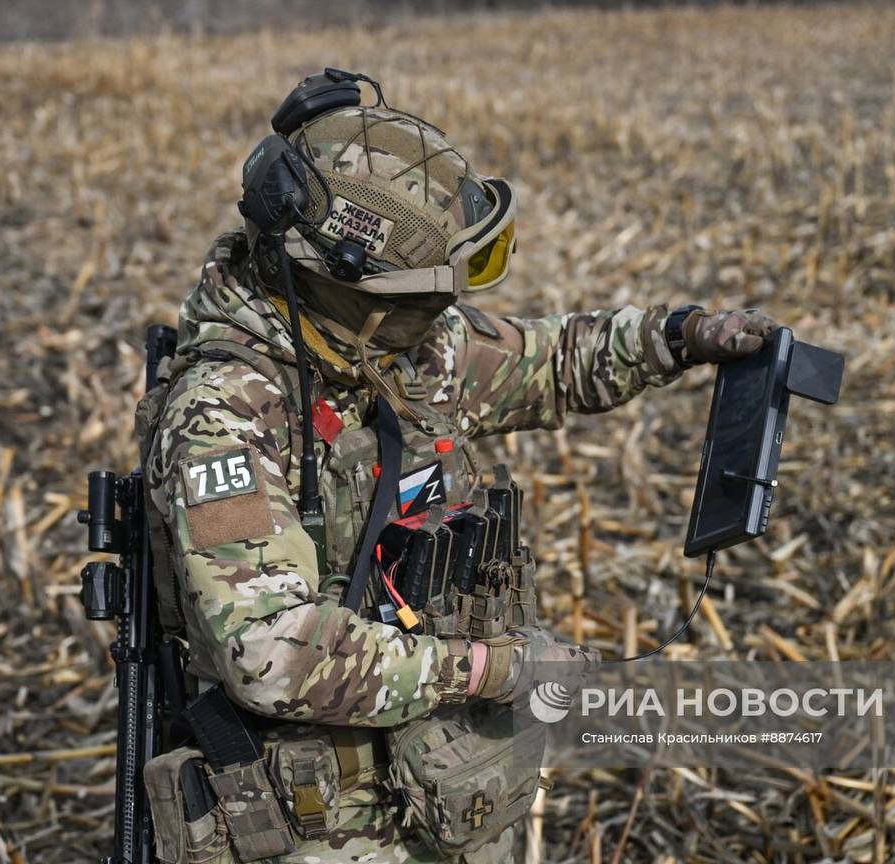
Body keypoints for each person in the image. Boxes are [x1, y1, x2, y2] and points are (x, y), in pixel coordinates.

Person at [140, 70, 777, 864]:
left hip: (442, 789)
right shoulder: (225, 417)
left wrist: (680, 337)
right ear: (350, 285)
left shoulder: (386, 346)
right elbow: (274, 656)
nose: (445, 315)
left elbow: (551, 362)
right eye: (431, 293)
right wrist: (495, 669)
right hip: (325, 828)